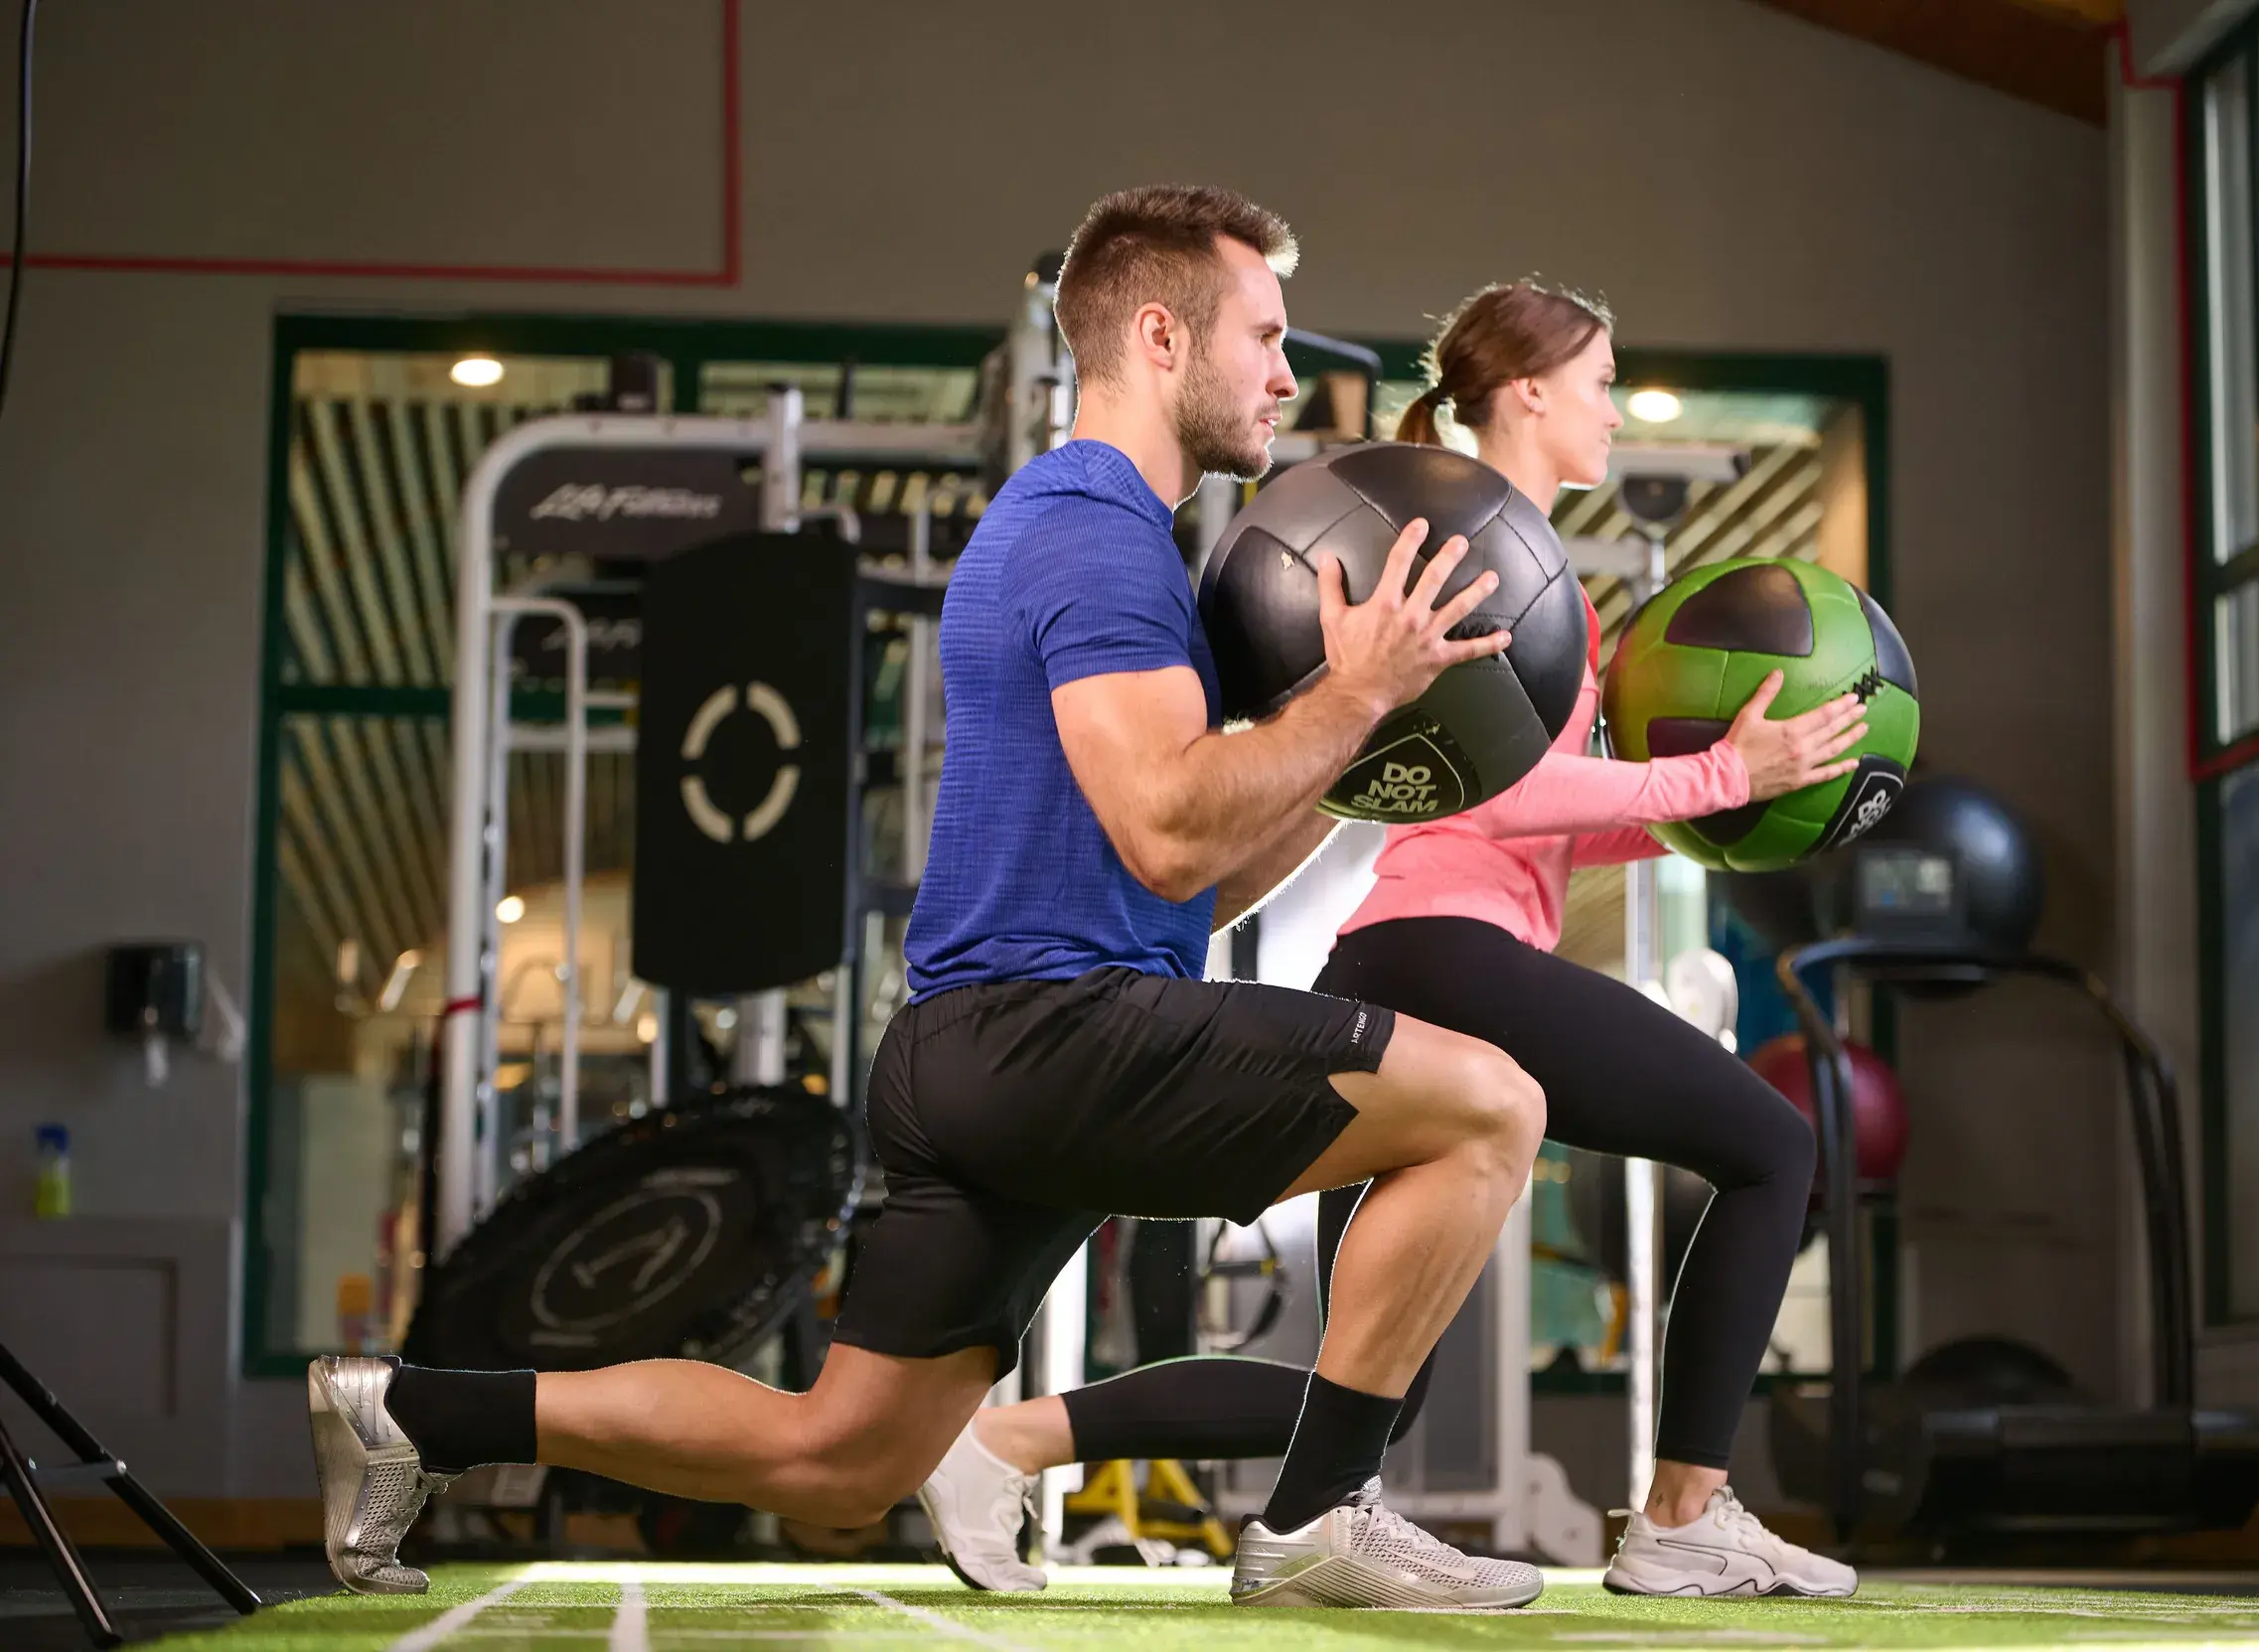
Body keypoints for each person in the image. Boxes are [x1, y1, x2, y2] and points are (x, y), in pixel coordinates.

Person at [304, 188, 1561, 1612]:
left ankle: (409, 1414)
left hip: (983, 1045)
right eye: (1264, 336)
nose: (1285, 372)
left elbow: (1181, 884)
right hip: (1048, 1035)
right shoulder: (1095, 531)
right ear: (1160, 335)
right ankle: (1324, 1513)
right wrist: (1351, 692)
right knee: (1492, 1105)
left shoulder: (1098, 534)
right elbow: (1165, 828)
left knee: (839, 1456)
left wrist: (1352, 756)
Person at [920, 282, 1870, 1599]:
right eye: (1599, 378)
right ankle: (1684, 1513)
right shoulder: (1475, 543)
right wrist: (1708, 782)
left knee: (1369, 1389)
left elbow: (1542, 823)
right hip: (1447, 953)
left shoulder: (1534, 560)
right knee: (1774, 1143)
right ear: (1529, 390)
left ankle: (1007, 1439)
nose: (1610, 406)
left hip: (1422, 949)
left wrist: (1741, 808)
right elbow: (1495, 789)